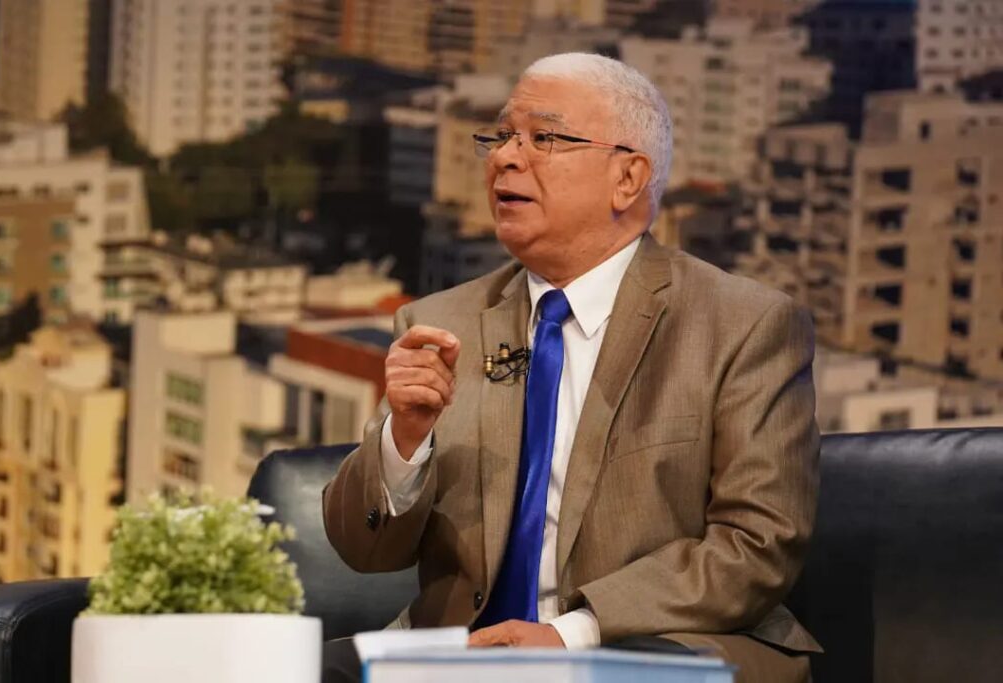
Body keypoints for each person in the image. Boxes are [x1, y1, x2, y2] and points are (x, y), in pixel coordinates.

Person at [322, 52, 821, 683]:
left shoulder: (744, 325)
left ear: (628, 178)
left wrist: (568, 636)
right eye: (502, 136)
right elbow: (363, 548)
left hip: (644, 648)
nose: (507, 157)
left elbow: (755, 548)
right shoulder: (440, 322)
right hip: (462, 655)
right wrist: (404, 439)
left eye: (544, 138)